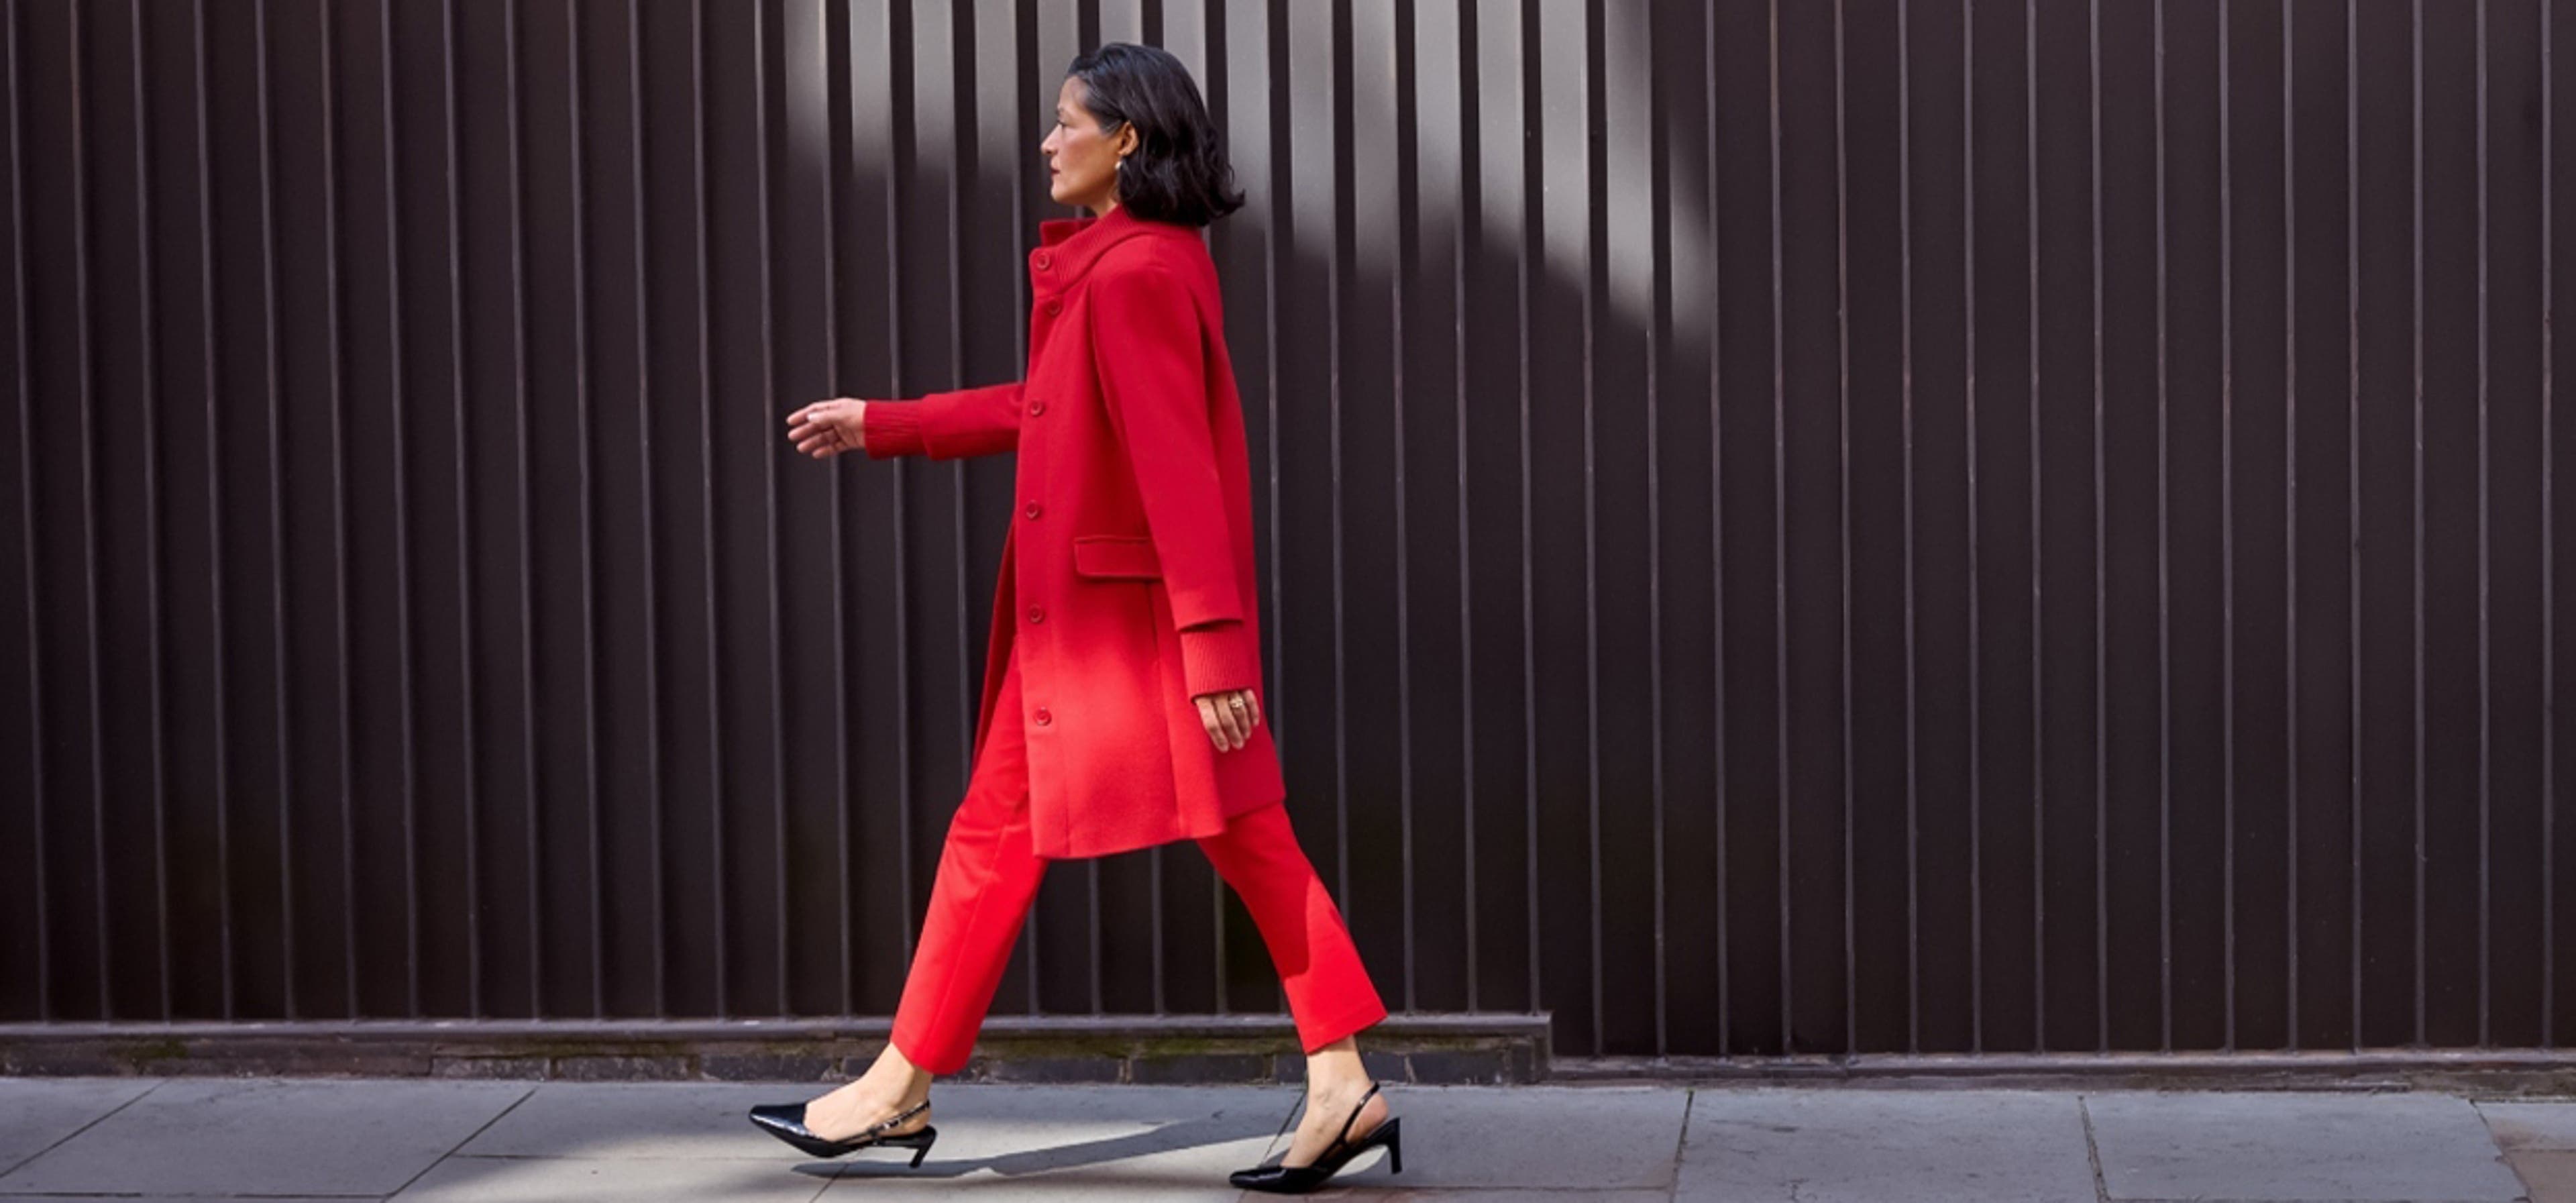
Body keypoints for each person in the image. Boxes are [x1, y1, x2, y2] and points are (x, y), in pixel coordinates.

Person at [753, 43, 1401, 1194]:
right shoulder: (1122, 264)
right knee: (1002, 836)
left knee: (1244, 832)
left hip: (1135, 632)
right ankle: (899, 1086)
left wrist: (1212, 644)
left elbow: (1179, 466)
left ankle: (1342, 1082)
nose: (1049, 143)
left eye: (1067, 123)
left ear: (1128, 142)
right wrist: (884, 423)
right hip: (1094, 631)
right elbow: (1041, 406)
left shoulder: (1138, 273)